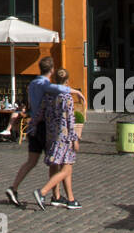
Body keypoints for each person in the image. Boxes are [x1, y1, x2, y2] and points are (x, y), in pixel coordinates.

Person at [6, 57, 81, 208]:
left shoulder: (32, 84)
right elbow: (61, 91)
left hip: (34, 125)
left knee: (31, 161)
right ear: (52, 70)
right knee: (60, 164)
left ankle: (14, 188)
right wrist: (75, 92)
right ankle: (53, 195)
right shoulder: (47, 87)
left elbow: (36, 107)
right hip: (47, 130)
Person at [29, 69, 80, 211]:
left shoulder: (48, 96)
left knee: (56, 165)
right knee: (67, 168)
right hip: (64, 137)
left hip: (50, 135)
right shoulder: (67, 98)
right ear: (67, 81)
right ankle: (42, 192)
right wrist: (75, 138)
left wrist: (32, 126)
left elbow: (40, 113)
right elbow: (70, 120)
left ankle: (61, 197)